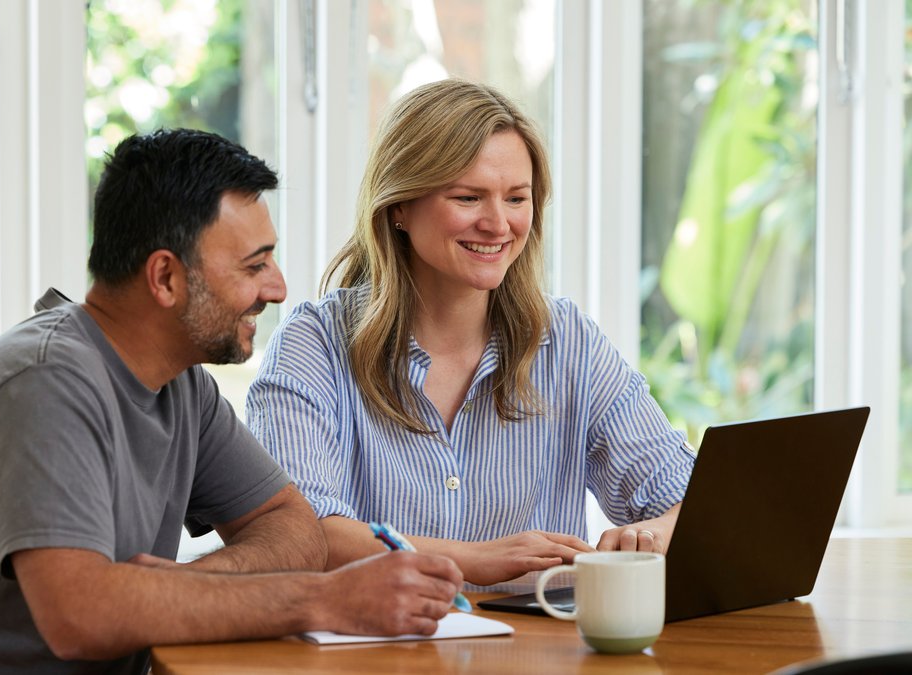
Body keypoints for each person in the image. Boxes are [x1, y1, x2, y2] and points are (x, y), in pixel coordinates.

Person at [0, 129, 463, 675]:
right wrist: (328, 600)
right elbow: (81, 616)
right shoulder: (42, 382)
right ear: (166, 279)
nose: (277, 288)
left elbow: (294, 529)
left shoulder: (181, 384)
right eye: (255, 265)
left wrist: (182, 585)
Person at [246, 79, 695, 588]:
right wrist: (471, 560)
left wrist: (648, 538)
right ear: (399, 206)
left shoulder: (569, 341)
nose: (498, 223)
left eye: (517, 198)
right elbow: (301, 533)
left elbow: (686, 500)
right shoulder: (316, 344)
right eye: (468, 197)